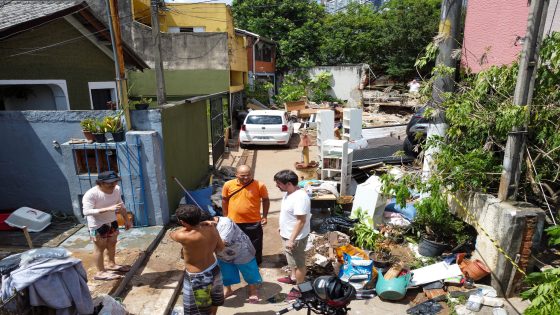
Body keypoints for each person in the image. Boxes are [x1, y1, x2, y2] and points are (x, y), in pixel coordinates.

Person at [170, 205, 225, 315]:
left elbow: (171, 234)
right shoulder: (211, 228)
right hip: (214, 269)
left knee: (201, 307)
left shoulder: (184, 236)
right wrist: (202, 224)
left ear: (183, 222)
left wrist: (196, 224)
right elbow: (220, 247)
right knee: (215, 300)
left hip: (199, 277)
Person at [200, 213, 262, 303]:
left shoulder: (225, 223)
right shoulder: (201, 226)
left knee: (249, 270)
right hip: (223, 254)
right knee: (226, 271)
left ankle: (253, 290)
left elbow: (222, 244)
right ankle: (228, 290)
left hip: (241, 250)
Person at [82, 171, 132, 281]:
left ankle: (111, 264)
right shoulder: (91, 194)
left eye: (115, 181)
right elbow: (86, 212)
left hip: (112, 221)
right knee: (100, 247)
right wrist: (107, 209)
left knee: (112, 243)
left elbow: (121, 205)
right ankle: (100, 272)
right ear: (100, 182)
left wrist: (127, 220)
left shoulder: (117, 189)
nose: (113, 184)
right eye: (109, 182)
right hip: (97, 224)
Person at [273, 169, 311, 300]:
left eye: (278, 183)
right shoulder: (290, 192)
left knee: (299, 263)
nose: (276, 186)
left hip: (295, 238)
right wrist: (282, 226)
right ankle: (293, 277)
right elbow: (289, 214)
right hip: (288, 234)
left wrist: (291, 239)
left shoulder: (300, 197)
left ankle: (299, 288)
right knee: (291, 259)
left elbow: (301, 221)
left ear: (288, 183)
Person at [222, 165, 269, 266]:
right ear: (236, 175)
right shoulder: (228, 185)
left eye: (248, 175)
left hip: (253, 221)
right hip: (234, 221)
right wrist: (225, 217)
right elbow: (224, 200)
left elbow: (265, 200)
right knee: (234, 243)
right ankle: (236, 261)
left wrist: (264, 216)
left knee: (255, 243)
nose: (246, 178)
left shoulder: (259, 185)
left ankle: (256, 262)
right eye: (242, 175)